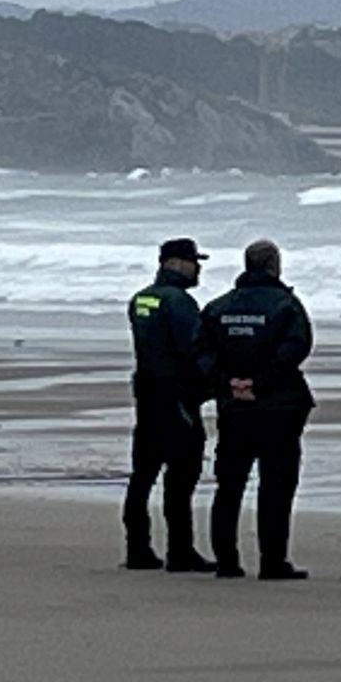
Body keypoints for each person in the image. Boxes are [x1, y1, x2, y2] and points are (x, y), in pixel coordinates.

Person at [201, 240, 315, 580]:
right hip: (278, 406)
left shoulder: (217, 308)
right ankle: (272, 561)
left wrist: (228, 384)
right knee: (276, 485)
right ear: (273, 265)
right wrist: (259, 384)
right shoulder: (286, 306)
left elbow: (201, 353)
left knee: (230, 484)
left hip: (234, 407)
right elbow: (296, 349)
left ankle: (226, 561)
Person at [123, 237, 214, 572]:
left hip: (147, 395)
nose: (198, 268)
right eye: (194, 261)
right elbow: (195, 349)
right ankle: (180, 550)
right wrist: (216, 383)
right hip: (177, 397)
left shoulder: (141, 299)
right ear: (176, 263)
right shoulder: (179, 303)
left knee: (143, 474)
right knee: (181, 476)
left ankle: (137, 548)